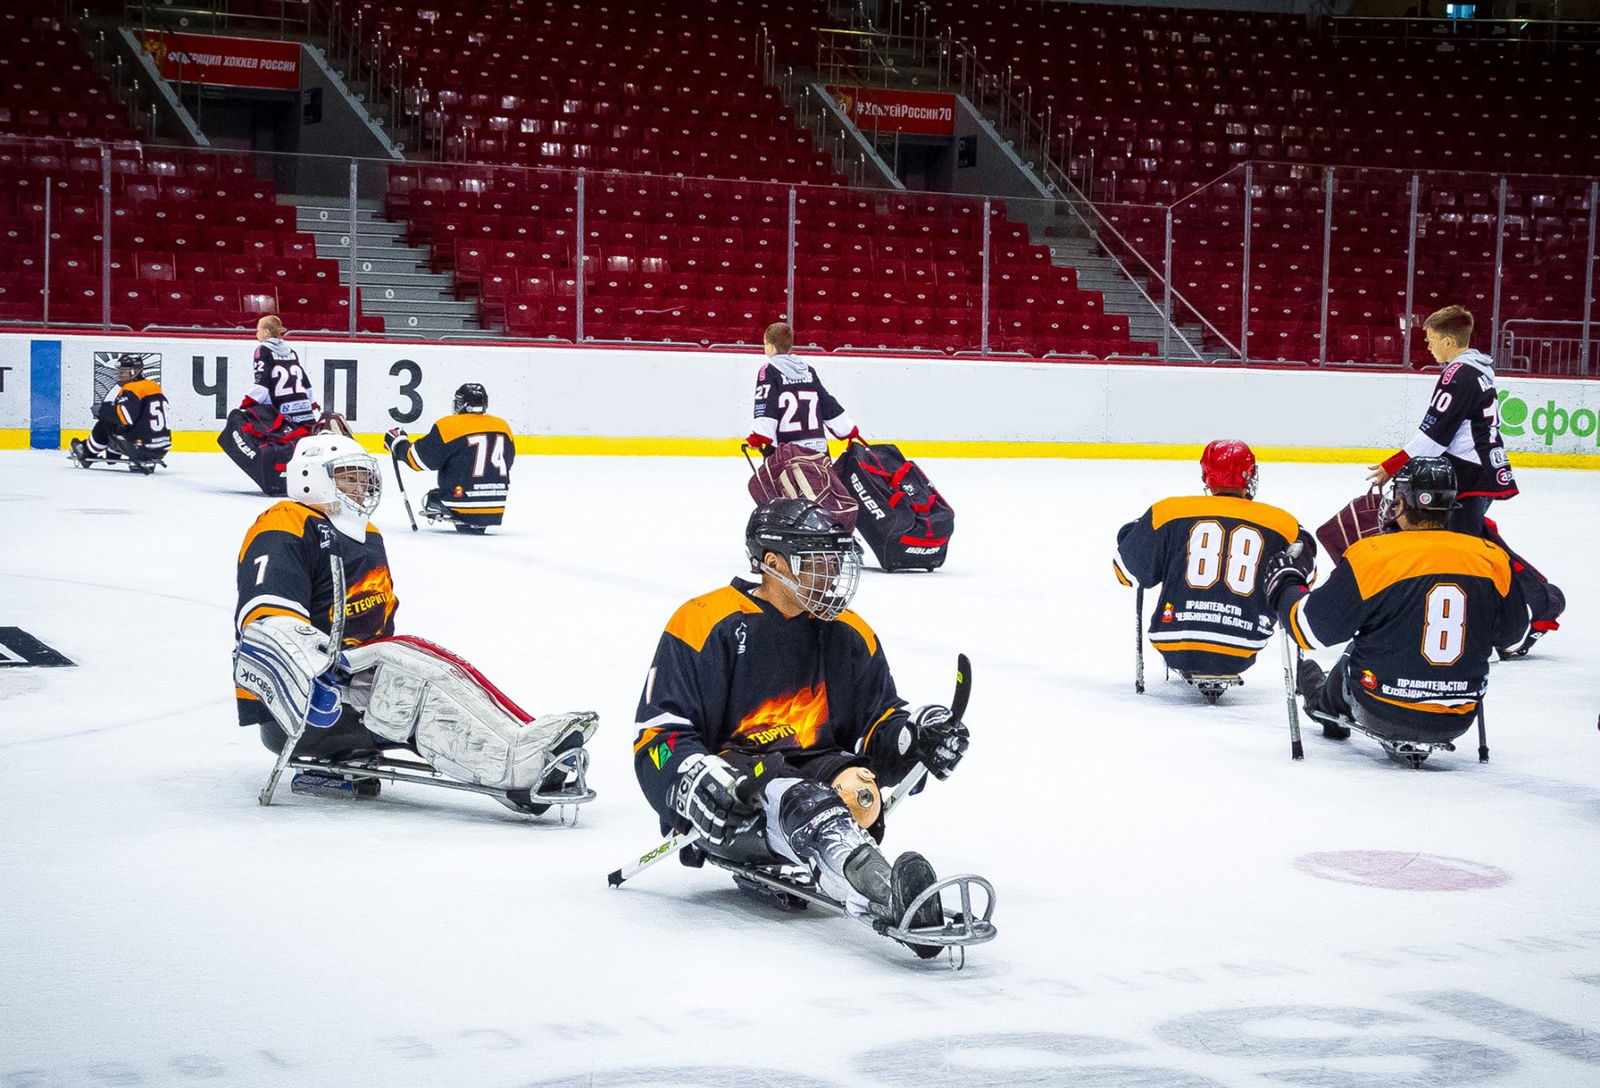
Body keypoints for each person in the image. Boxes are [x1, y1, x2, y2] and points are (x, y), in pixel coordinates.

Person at [631, 498, 971, 957]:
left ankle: (836, 859)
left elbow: (879, 724)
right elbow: (659, 734)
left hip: (821, 767)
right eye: (818, 561)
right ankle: (888, 894)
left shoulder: (849, 630)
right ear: (772, 563)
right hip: (741, 781)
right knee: (803, 800)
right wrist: (689, 780)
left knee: (862, 795)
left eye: (837, 560)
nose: (832, 574)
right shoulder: (704, 620)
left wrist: (916, 738)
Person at [233, 434, 595, 807]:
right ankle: (517, 764)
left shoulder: (367, 535)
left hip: (353, 682)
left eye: (364, 477)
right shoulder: (286, 523)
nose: (361, 487)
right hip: (303, 705)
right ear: (310, 477)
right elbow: (265, 617)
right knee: (414, 665)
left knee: (428, 662)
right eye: (348, 478)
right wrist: (316, 670)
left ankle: (522, 743)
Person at [1265, 457, 1530, 767]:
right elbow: (1514, 633)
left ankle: (1325, 704)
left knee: (1357, 649)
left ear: (1401, 501)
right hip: (1457, 717)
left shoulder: (1374, 556)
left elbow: (1308, 628)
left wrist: (1287, 584)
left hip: (1381, 707)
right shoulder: (1491, 558)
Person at [1365, 304, 1561, 655]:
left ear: (1450, 341)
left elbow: (1435, 434)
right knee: (1471, 543)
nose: (1427, 346)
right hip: (1476, 470)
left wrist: (1392, 465)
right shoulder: (1477, 370)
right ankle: (1536, 605)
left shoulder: (1459, 374)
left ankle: (1537, 607)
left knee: (1470, 551)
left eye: (1431, 340)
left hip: (1469, 474)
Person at [1113, 439, 1317, 697]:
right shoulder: (1283, 523)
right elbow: (1303, 582)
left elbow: (1125, 572)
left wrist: (1131, 534)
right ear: (1250, 475)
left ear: (1206, 476)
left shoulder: (1169, 512)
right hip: (1244, 642)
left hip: (1173, 638)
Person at [384, 383, 515, 534]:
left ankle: (461, 504)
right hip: (496, 503)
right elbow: (508, 462)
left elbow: (418, 460)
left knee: (432, 499)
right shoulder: (502, 426)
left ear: (463, 404)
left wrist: (398, 444)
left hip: (462, 503)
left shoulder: (450, 426)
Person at [746, 322, 860, 455]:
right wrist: (846, 428)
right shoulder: (808, 370)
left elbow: (766, 404)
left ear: (771, 348)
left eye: (765, 344)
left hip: (786, 452)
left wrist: (758, 437)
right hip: (818, 450)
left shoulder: (769, 371)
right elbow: (827, 402)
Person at [69, 355, 170, 472]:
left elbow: (124, 418)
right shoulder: (153, 386)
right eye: (120, 371)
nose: (121, 374)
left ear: (136, 371)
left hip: (141, 448)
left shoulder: (132, 388)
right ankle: (113, 453)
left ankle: (87, 452)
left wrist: (102, 410)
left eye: (125, 371)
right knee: (125, 424)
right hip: (162, 448)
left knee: (105, 422)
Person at [244, 314, 318, 429]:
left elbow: (262, 382)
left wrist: (249, 400)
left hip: (281, 408)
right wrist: (312, 401)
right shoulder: (291, 351)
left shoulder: (263, 350)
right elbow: (304, 379)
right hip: (302, 407)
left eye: (258, 330)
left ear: (266, 332)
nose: (256, 333)